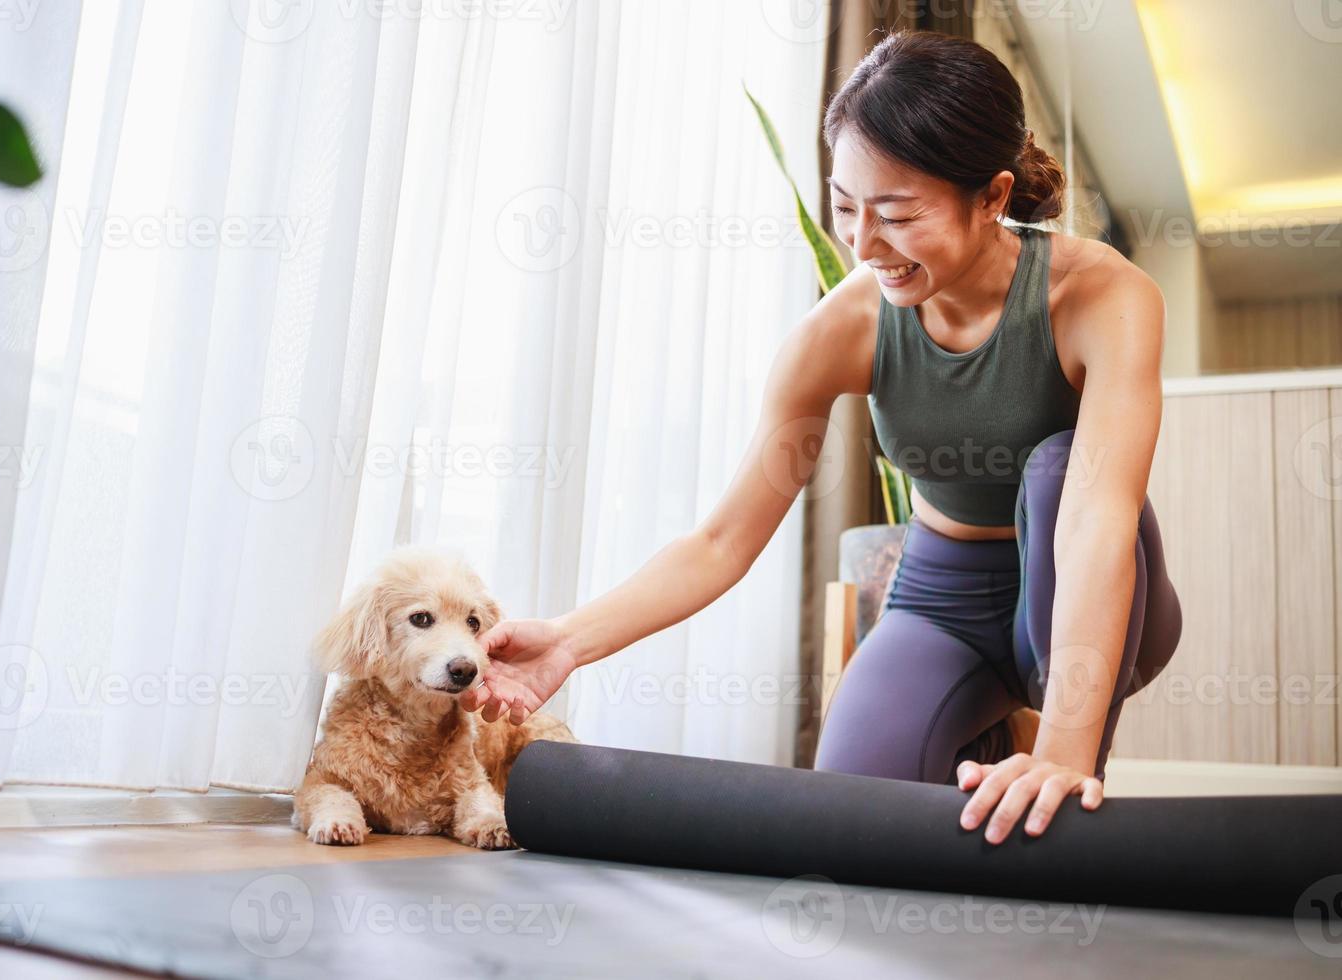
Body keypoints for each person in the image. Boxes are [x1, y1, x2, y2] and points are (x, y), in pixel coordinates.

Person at [459, 30, 1182, 846]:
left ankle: (1040, 749)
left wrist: (1063, 754)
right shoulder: (840, 329)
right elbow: (723, 538)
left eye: (899, 214)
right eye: (845, 207)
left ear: (992, 196)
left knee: (1054, 474)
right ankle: (989, 738)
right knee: (851, 823)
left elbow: (1094, 523)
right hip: (944, 599)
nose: (863, 246)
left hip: (1093, 582)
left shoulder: (1103, 297)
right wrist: (568, 640)